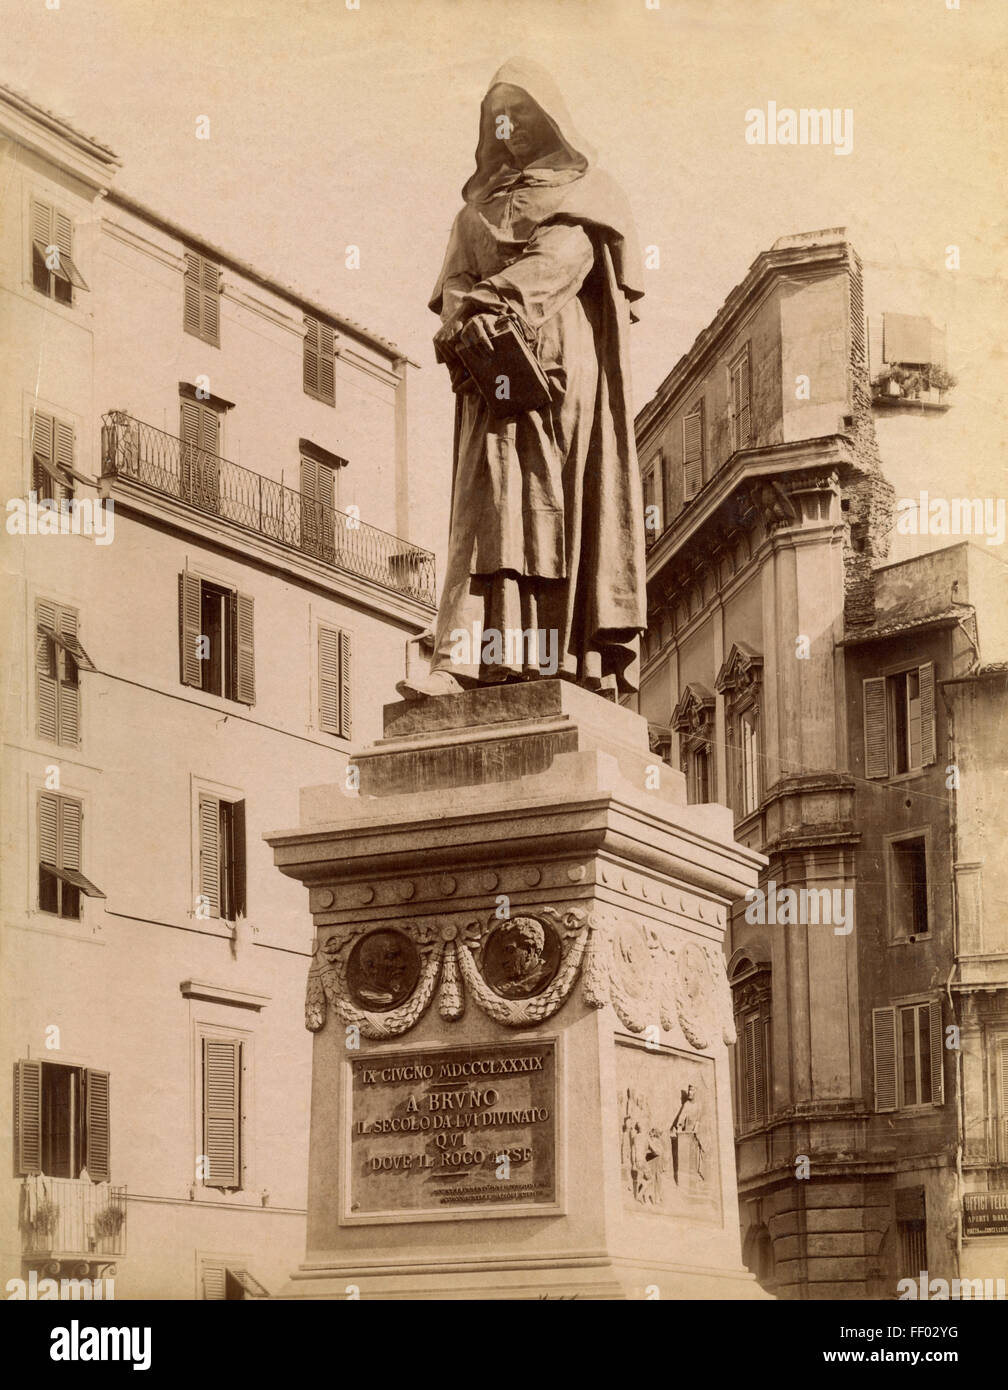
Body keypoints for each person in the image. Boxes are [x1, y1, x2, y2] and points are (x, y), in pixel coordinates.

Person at [398, 57, 646, 699]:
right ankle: (477, 660)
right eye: (497, 116)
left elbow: (565, 258)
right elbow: (452, 285)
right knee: (490, 510)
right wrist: (465, 317)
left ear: (548, 118)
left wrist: (492, 302)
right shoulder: (469, 215)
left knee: (554, 504)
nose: (510, 126)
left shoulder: (589, 194)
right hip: (489, 371)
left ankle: (563, 660)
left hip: (563, 367)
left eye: (522, 112)